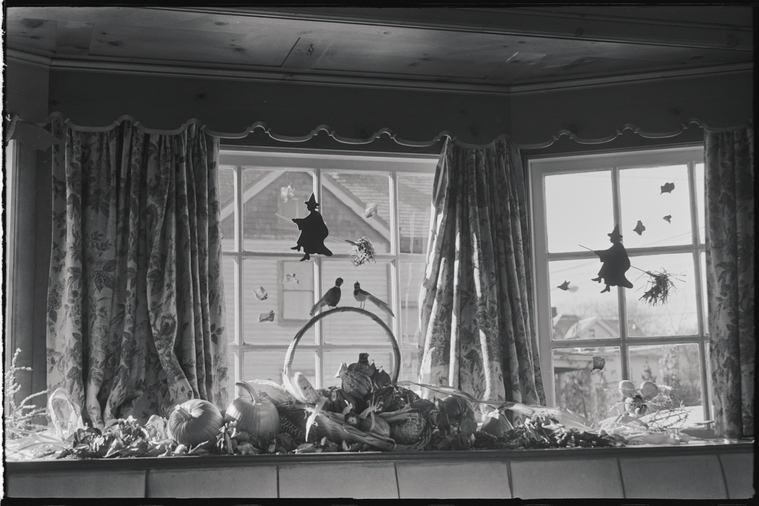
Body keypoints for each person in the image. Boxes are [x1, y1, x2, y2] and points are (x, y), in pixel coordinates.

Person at [291, 193, 333, 261]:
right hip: (315, 231)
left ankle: (300, 246)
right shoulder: (313, 214)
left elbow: (308, 221)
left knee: (306, 233)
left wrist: (298, 221)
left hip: (321, 232)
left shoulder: (316, 214)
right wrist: (297, 221)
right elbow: (306, 221)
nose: (307, 207)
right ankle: (304, 251)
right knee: (306, 231)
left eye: (308, 206)